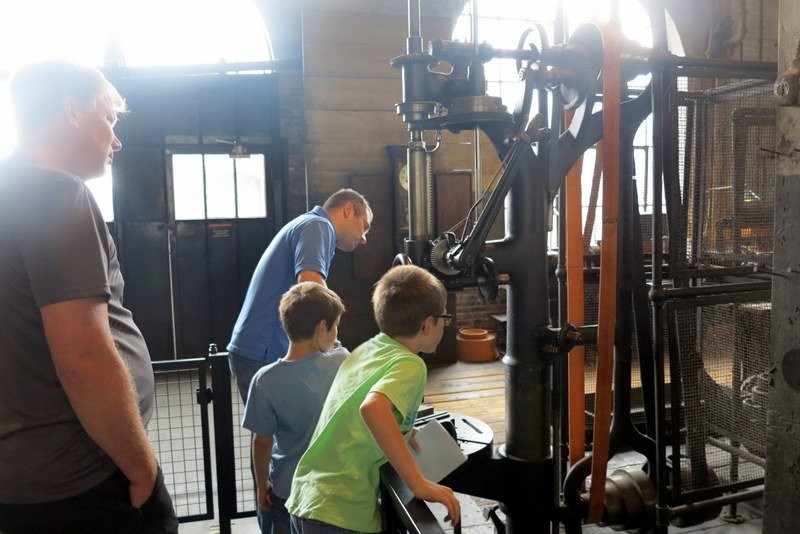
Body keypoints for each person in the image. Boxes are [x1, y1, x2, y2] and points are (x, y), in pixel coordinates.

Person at [0, 60, 177, 533]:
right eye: (110, 118)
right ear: (71, 111)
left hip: (21, 477)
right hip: (81, 480)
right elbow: (83, 358)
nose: (116, 138)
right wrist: (141, 469)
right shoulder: (57, 193)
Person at [287, 265, 461, 533]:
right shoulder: (410, 364)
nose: (443, 325)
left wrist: (403, 428)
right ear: (428, 324)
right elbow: (373, 407)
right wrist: (419, 483)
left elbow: (356, 408)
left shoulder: (369, 348)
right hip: (341, 512)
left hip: (308, 496)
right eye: (443, 319)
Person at [227, 188, 372, 403]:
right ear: (348, 210)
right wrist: (333, 345)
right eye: (365, 227)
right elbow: (310, 287)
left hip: (255, 345)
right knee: (283, 431)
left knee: (270, 431)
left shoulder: (309, 224)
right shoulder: (318, 226)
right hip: (264, 347)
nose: (364, 239)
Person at [242, 282, 349, 534]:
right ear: (321, 327)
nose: (335, 334)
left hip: (287, 488)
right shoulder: (343, 362)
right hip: (332, 489)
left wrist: (261, 485)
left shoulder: (265, 379)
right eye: (334, 327)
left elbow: (261, 442)